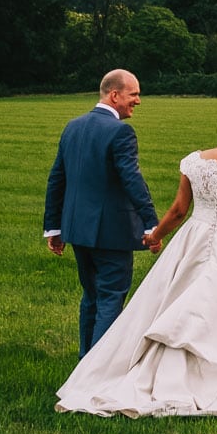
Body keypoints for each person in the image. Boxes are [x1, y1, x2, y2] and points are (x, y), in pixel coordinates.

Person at [56, 101, 217, 418]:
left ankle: (162, 369)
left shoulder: (193, 162)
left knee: (177, 303)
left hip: (193, 239)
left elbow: (178, 211)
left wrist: (157, 235)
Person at [43, 69, 159, 355]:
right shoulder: (120, 131)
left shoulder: (73, 126)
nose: (138, 101)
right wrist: (151, 224)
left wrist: (54, 228)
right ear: (114, 94)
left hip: (77, 231)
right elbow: (132, 179)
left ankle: (85, 362)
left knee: (92, 297)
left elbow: (57, 178)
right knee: (110, 298)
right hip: (111, 233)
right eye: (134, 94)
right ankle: (98, 370)